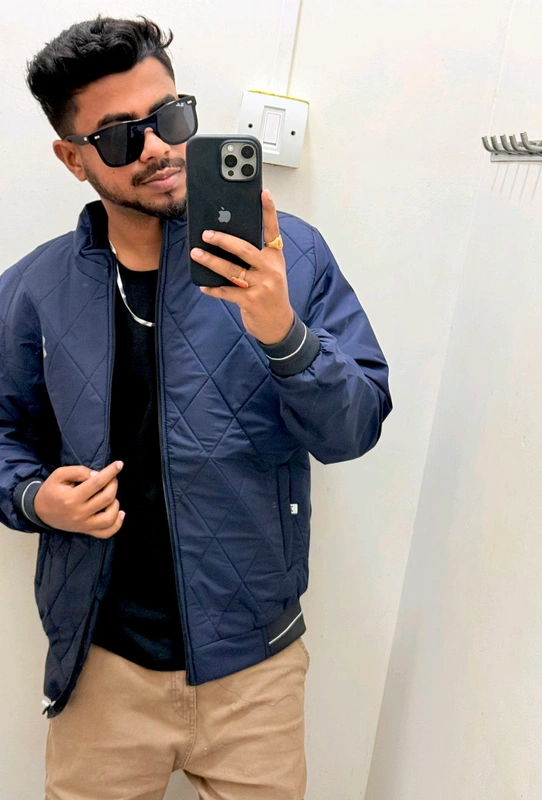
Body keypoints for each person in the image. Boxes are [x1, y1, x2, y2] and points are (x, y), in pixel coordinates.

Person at [0, 15, 391, 800]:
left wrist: (283, 333)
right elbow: (5, 435)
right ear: (72, 158)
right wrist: (34, 497)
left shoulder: (291, 257)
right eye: (120, 137)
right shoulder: (33, 290)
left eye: (169, 117)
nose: (156, 147)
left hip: (255, 670)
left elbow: (354, 428)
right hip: (101, 667)